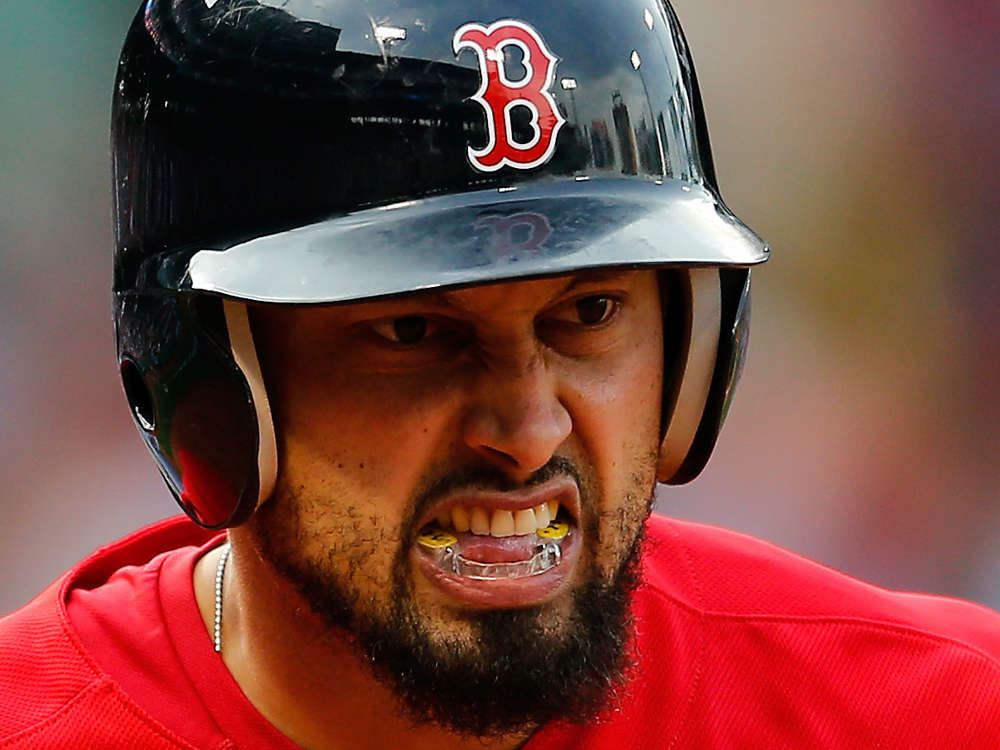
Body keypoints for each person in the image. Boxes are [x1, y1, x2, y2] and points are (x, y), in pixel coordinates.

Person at [2, 0, 999, 747]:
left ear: (695, 354)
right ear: (208, 380)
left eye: (588, 314)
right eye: (412, 332)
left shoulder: (935, 713)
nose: (526, 432)